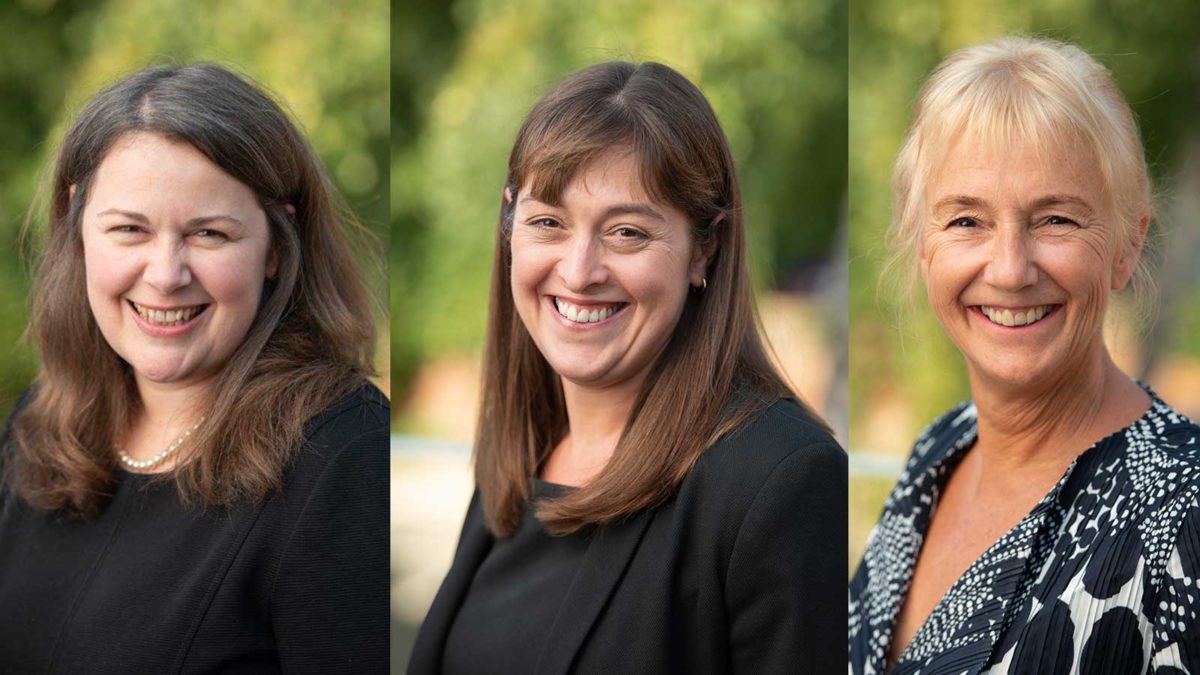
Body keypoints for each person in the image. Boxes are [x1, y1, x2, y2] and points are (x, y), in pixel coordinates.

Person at [408, 61, 846, 674]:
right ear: (510, 226)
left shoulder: (779, 483)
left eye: (627, 233)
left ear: (705, 248)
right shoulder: (519, 455)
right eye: (548, 223)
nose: (580, 270)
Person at [0, 64, 388, 673]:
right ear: (77, 225)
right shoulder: (40, 422)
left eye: (208, 234)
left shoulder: (347, 456)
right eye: (129, 229)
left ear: (275, 247)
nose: (165, 274)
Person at [849, 37, 1200, 674]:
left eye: (1056, 219)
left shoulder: (1183, 511)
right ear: (921, 244)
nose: (1010, 270)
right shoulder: (940, 451)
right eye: (966, 221)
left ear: (1126, 245)